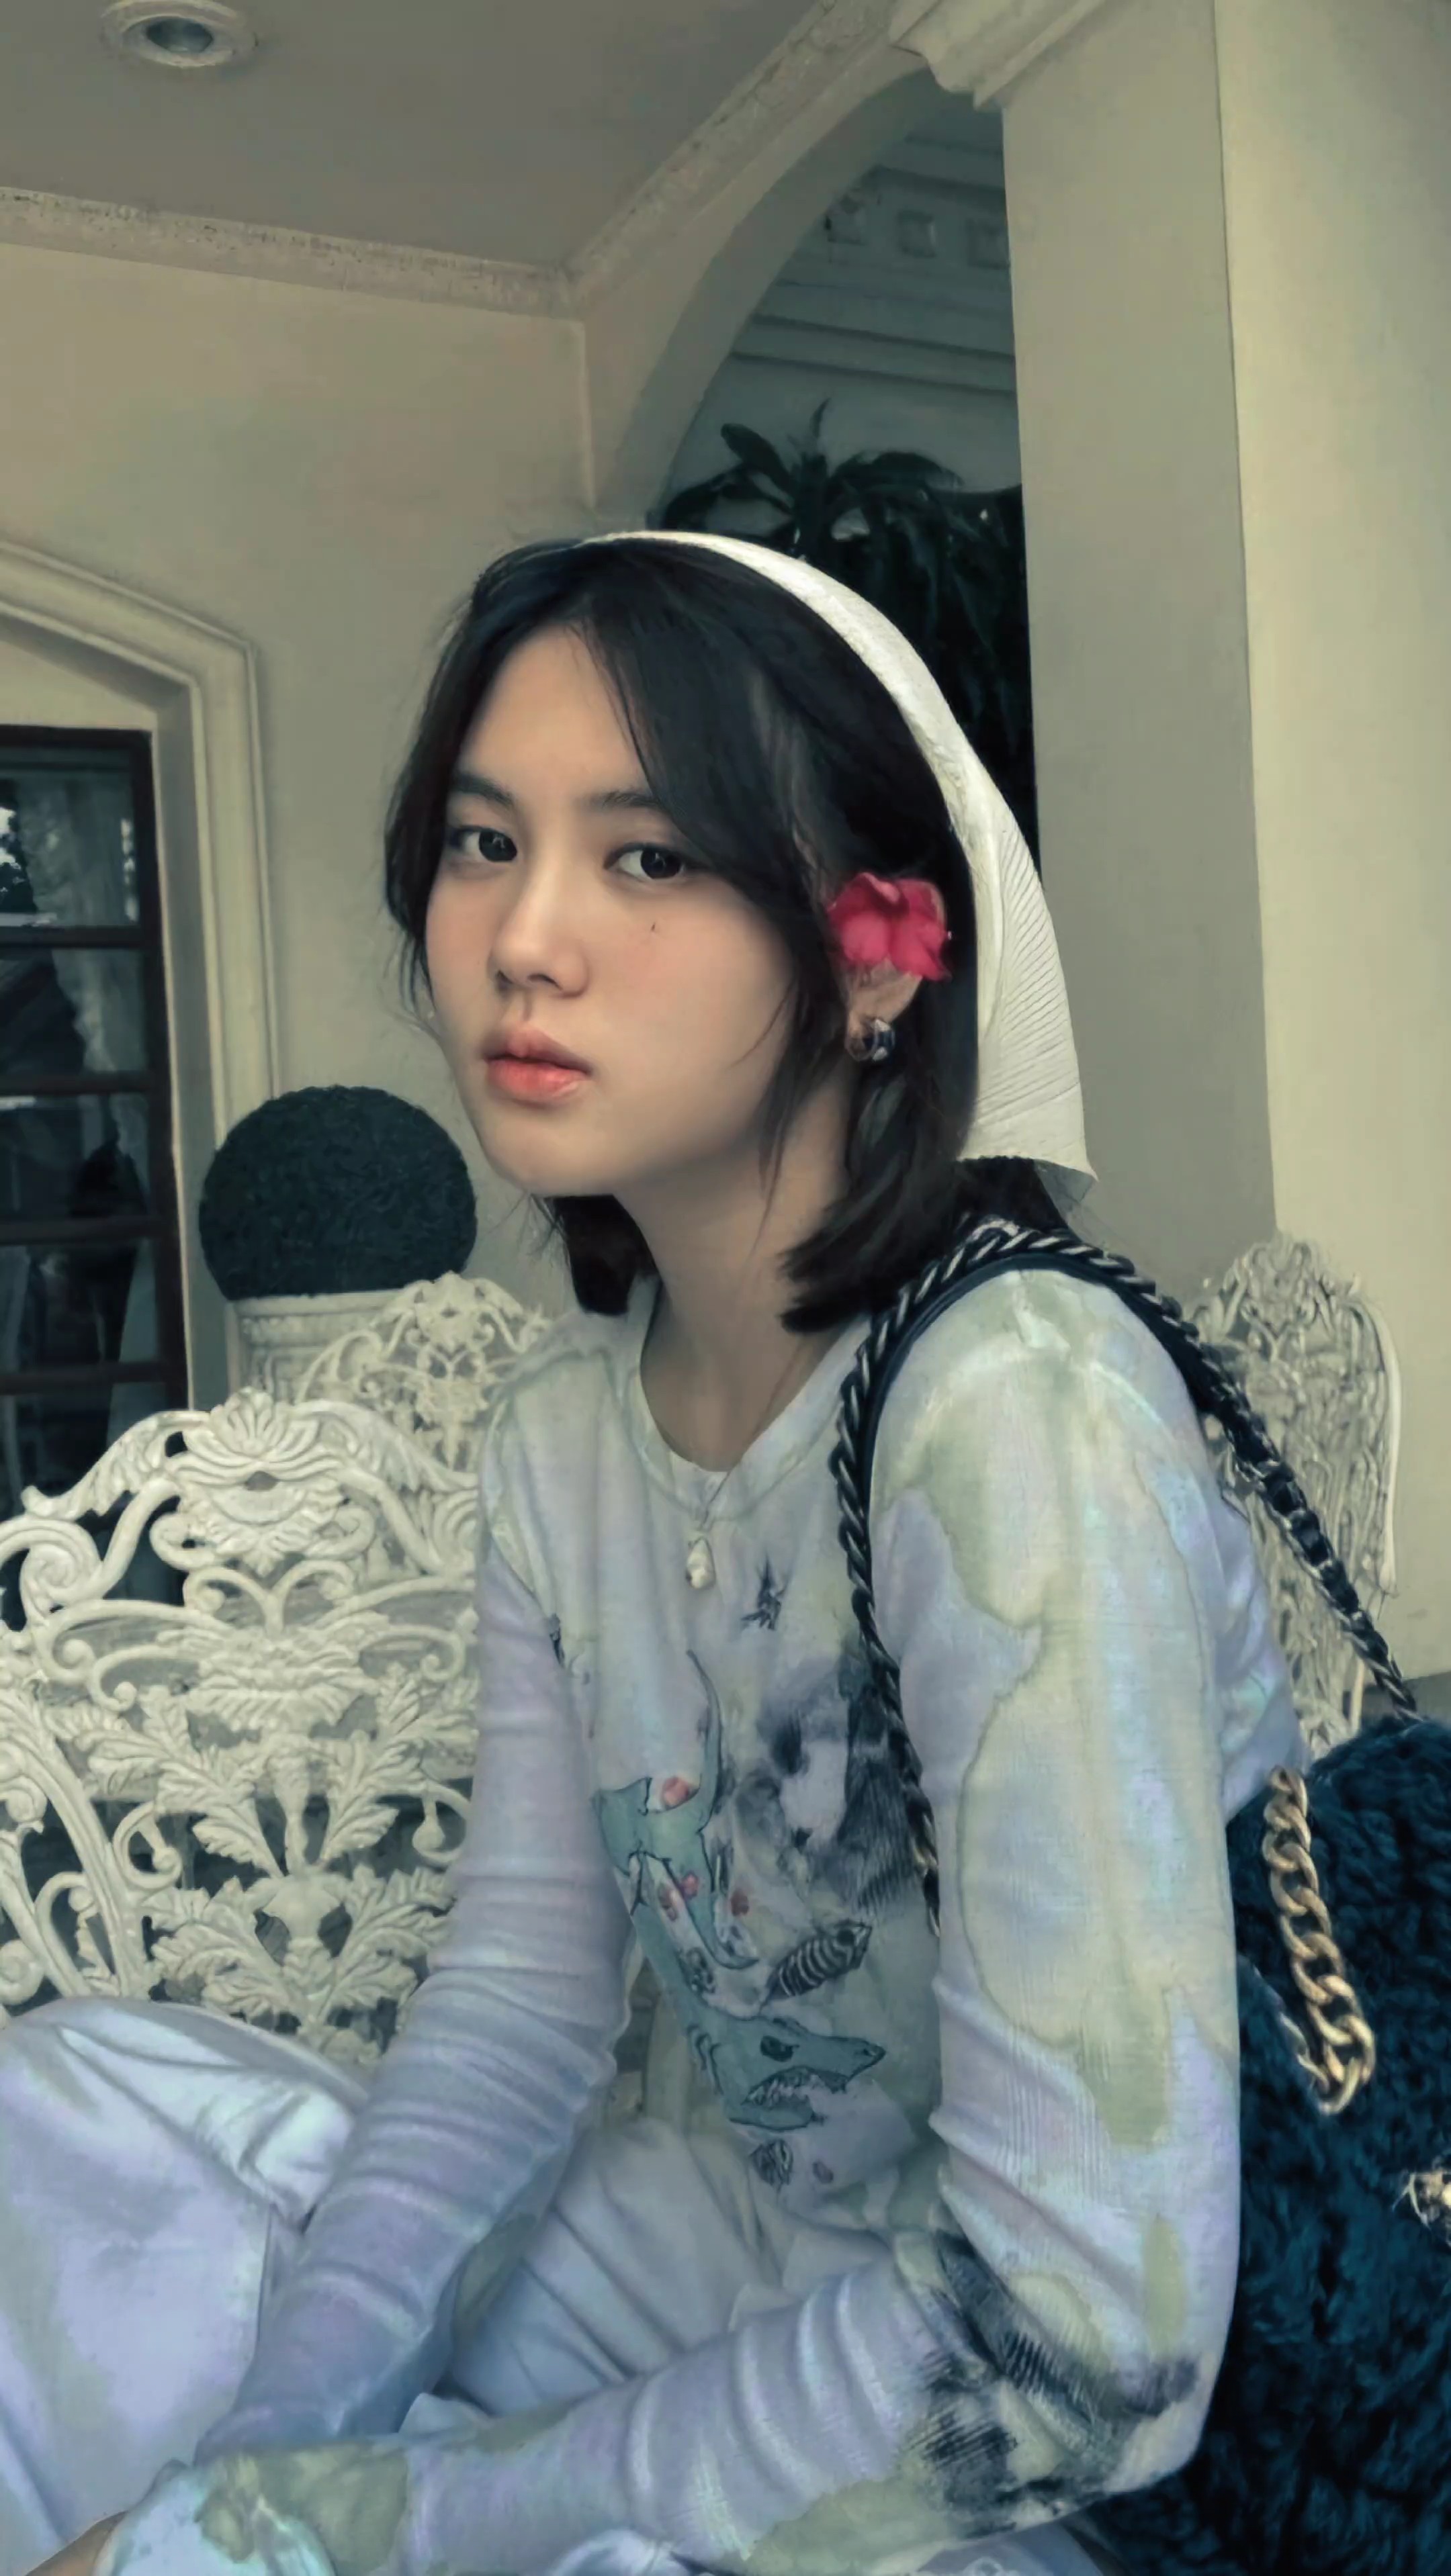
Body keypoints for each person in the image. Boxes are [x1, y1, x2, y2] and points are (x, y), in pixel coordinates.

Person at [0, 533, 1303, 2576]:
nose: (523, 939)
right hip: (763, 2251)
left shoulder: (1017, 1406)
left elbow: (1083, 2351)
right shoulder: (558, 1441)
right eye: (483, 842)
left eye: (649, 856)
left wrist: (356, 2530)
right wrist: (244, 2484)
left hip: (1076, 2420)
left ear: (878, 956)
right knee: (73, 2115)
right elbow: (522, 2014)